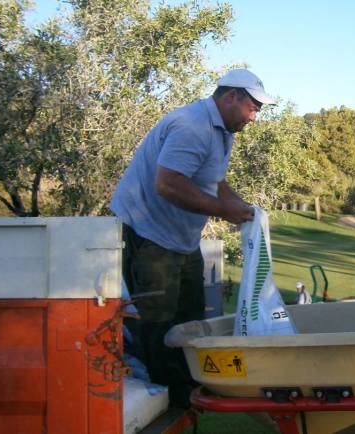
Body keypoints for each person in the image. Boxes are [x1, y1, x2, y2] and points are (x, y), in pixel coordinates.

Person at [110, 68, 275, 408]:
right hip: (148, 233)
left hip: (180, 238)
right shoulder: (192, 126)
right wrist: (222, 210)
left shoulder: (222, 131)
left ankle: (187, 389)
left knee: (190, 315)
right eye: (254, 107)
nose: (255, 117)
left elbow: (214, 182)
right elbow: (168, 184)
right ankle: (163, 398)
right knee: (157, 320)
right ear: (231, 96)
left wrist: (240, 207)